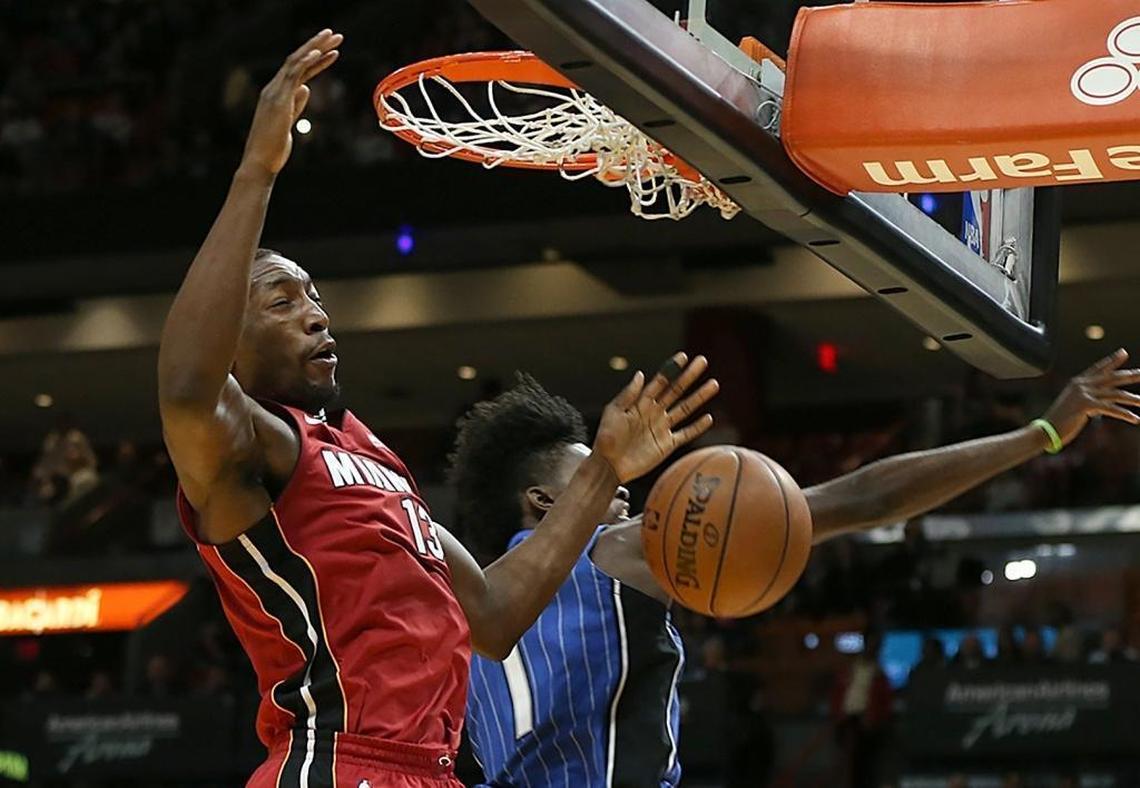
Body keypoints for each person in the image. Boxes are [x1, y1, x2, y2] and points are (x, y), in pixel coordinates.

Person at [156, 30, 717, 788]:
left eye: (316, 298)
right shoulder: (248, 452)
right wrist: (257, 172)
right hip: (339, 762)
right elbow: (188, 387)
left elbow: (493, 616)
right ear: (232, 337)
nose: (317, 315)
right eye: (282, 301)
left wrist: (607, 467)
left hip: (432, 771)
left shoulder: (373, 459)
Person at [451, 351, 1140, 787]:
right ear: (542, 501)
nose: (622, 492)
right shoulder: (612, 551)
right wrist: (1038, 435)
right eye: (597, 478)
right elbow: (863, 498)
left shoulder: (467, 617)